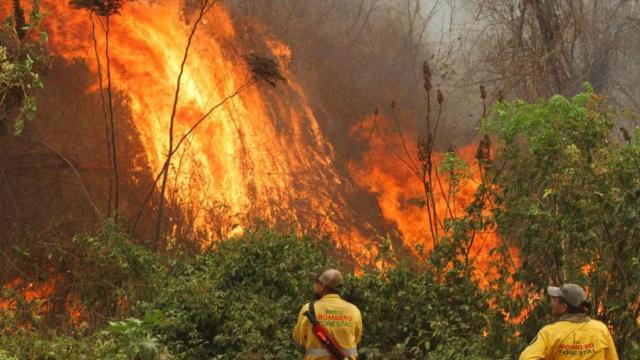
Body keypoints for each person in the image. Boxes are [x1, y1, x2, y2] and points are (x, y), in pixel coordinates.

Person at [520, 283, 618, 360]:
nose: (551, 302)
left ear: (564, 307)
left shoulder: (549, 333)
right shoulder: (601, 329)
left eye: (555, 299)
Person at [293, 269, 363, 359]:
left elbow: (299, 339)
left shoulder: (308, 309)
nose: (314, 285)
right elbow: (357, 340)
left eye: (316, 282)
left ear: (322, 286)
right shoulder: (354, 310)